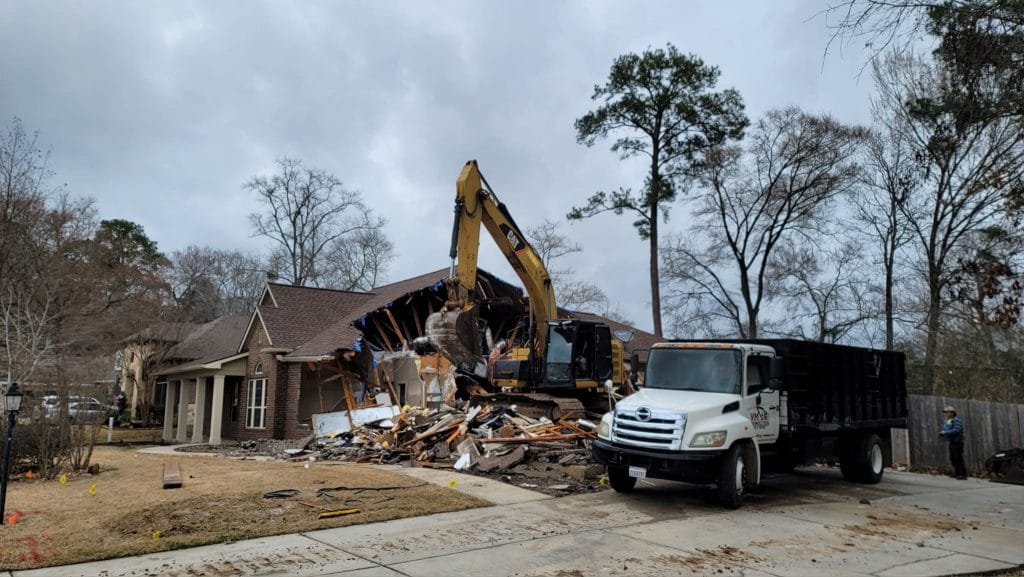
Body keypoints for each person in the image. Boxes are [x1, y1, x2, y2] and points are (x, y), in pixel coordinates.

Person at [939, 405, 967, 479]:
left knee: (958, 457)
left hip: (958, 441)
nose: (945, 413)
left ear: (952, 413)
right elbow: (948, 429)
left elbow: (957, 430)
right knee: (953, 458)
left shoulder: (956, 420)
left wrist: (945, 432)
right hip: (952, 441)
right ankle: (957, 473)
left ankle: (963, 474)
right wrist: (943, 434)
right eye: (945, 412)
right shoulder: (948, 420)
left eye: (946, 412)